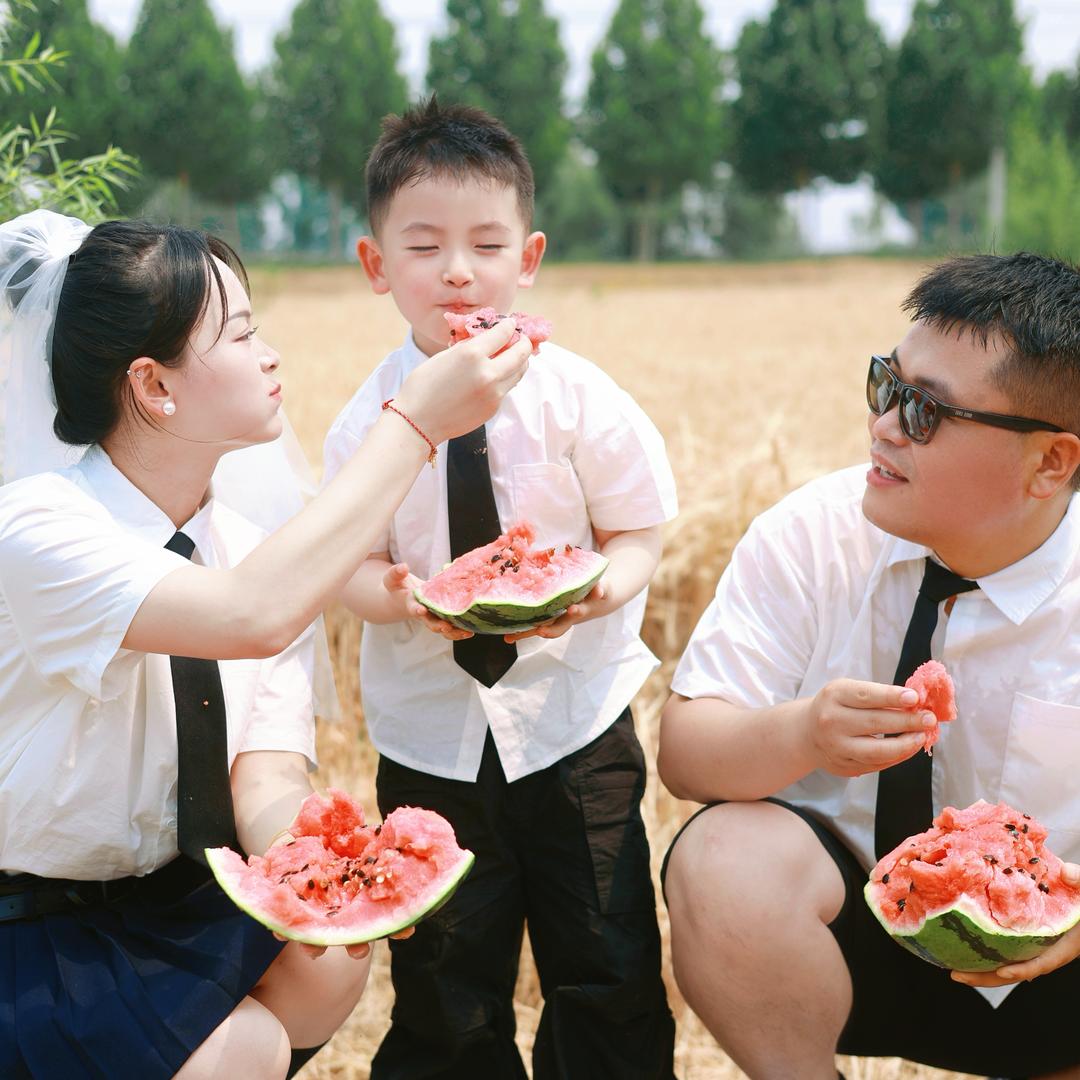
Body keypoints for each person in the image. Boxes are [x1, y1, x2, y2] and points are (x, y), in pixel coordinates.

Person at [0, 209, 532, 1080]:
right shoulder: (39, 528)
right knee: (244, 1048)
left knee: (329, 962)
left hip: (166, 904)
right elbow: (252, 615)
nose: (271, 354)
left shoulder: (254, 548)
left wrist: (336, 867)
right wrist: (416, 423)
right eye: (242, 334)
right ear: (155, 387)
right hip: (32, 928)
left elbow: (266, 774)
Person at [322, 97, 678, 1079]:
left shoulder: (578, 395)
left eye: (486, 243)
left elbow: (638, 525)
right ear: (375, 265)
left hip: (574, 725)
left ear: (529, 258)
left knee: (606, 964)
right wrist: (393, 592)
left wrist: (609, 587)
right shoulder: (365, 424)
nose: (457, 270)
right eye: (425, 245)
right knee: (443, 981)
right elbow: (340, 562)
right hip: (429, 743)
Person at [658, 251, 1080, 1079]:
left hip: (1062, 963)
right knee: (721, 861)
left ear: (1050, 463)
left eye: (926, 411)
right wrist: (803, 732)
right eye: (888, 385)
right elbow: (685, 752)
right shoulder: (811, 534)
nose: (885, 425)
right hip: (846, 948)